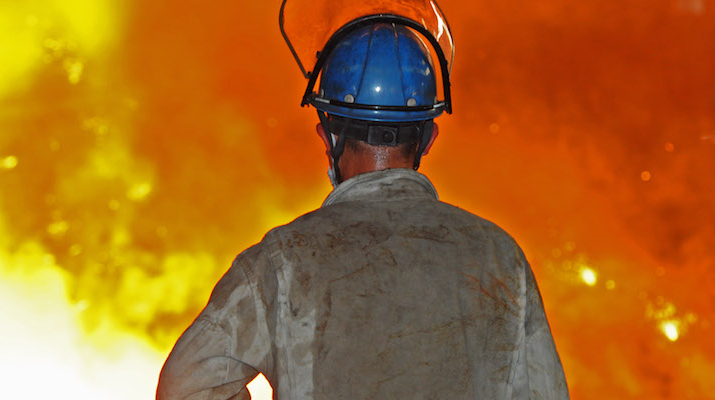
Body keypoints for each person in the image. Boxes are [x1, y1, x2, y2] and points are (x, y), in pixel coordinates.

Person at [157, 1, 569, 399]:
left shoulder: (282, 261)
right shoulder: (500, 258)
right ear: (428, 138)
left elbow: (185, 386)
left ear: (329, 137)